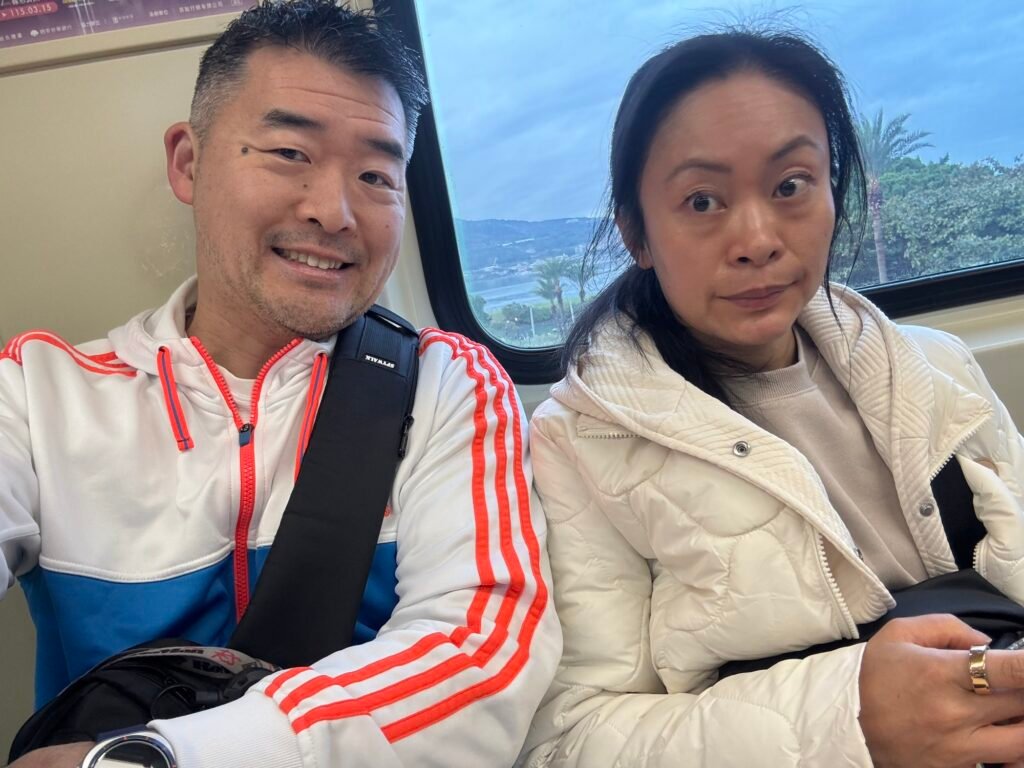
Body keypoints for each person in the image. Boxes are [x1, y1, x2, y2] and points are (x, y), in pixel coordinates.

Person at [0, 1, 560, 766]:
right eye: (290, 152)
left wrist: (160, 759)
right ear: (188, 163)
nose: (334, 212)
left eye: (375, 175)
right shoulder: (37, 395)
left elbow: (480, 651)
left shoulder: (447, 384)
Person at [518, 28, 1024, 768]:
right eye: (702, 201)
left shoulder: (936, 366)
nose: (756, 239)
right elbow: (568, 740)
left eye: (790, 186)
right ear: (637, 235)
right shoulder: (579, 444)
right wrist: (850, 720)